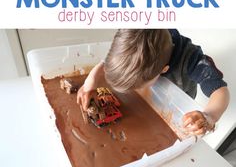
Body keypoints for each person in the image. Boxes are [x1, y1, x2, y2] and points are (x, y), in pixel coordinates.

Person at [77, 29, 230, 137]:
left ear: (164, 70)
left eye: (138, 87)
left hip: (177, 101)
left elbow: (220, 90)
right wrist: (92, 78)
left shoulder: (193, 60)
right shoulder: (134, 33)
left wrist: (209, 116)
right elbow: (113, 56)